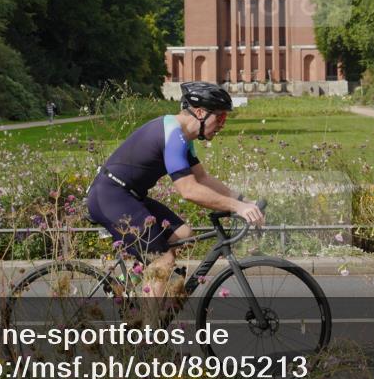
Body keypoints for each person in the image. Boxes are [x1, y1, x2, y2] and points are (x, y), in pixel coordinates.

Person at [86, 82, 264, 303]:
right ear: (200, 113)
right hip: (110, 196)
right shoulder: (173, 135)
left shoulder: (182, 136)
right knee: (162, 260)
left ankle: (128, 283)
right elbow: (189, 190)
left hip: (128, 195)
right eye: (219, 118)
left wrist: (246, 201)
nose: (222, 125)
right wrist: (237, 207)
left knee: (183, 235)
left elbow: (203, 179)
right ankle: (148, 332)